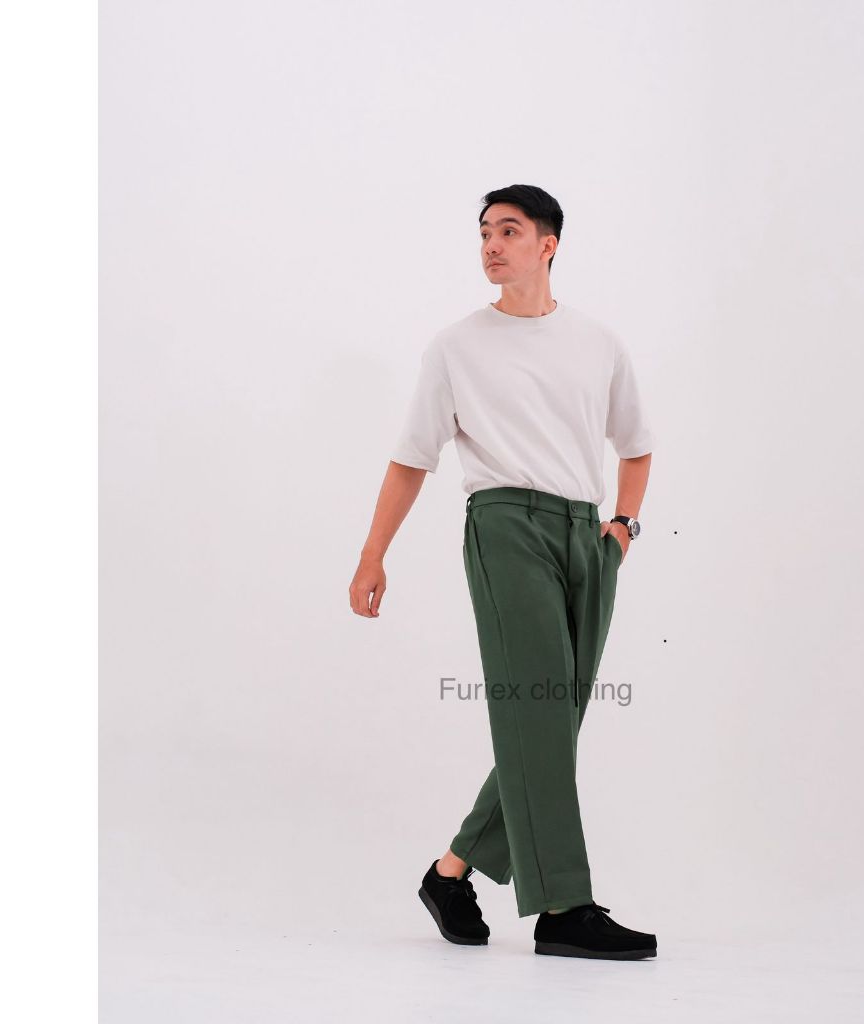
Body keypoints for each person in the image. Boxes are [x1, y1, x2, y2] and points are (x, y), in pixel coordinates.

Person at [349, 184, 657, 960]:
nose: (491, 244)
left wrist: (622, 528)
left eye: (509, 231)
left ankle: (451, 871)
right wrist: (373, 554)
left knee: (551, 716)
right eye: (485, 231)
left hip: (586, 533)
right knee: (540, 714)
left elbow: (637, 444)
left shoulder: (598, 342)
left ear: (548, 244)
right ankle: (562, 907)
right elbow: (412, 459)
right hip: (506, 527)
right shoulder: (457, 347)